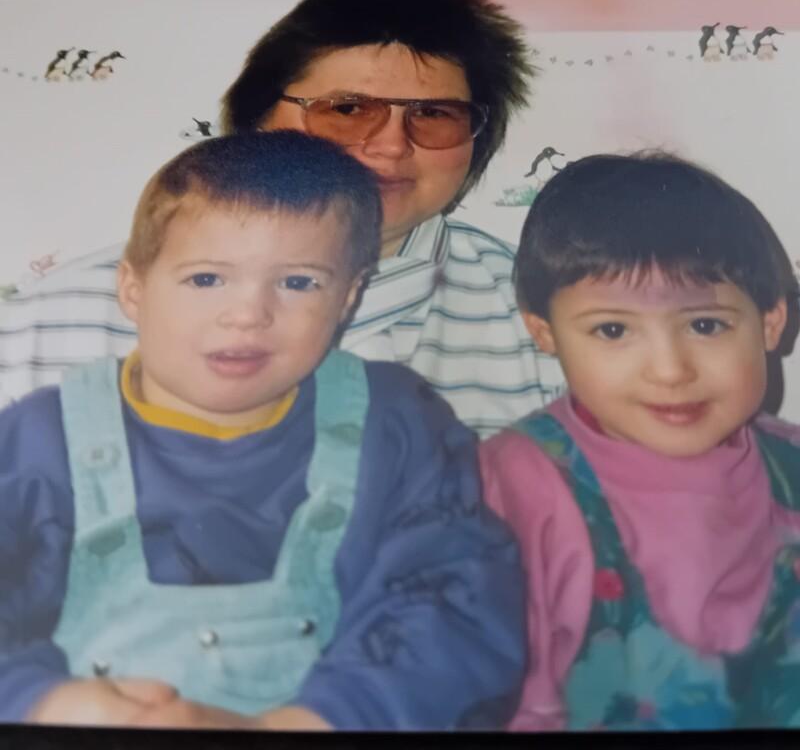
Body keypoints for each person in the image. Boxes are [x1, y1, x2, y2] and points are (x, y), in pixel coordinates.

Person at [0, 131, 526, 730]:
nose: (249, 314)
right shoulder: (38, 441)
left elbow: (456, 605)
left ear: (348, 298)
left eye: (299, 283)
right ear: (133, 289)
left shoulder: (396, 423)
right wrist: (44, 703)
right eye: (206, 279)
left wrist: (306, 723)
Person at [0, 0, 562, 438]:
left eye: (434, 115)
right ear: (257, 122)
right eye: (346, 110)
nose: (392, 146)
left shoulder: (552, 316)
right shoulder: (51, 321)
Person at [479, 152, 800, 731]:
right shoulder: (518, 486)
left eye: (705, 325)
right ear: (545, 333)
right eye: (613, 330)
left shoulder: (792, 464)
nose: (670, 370)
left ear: (770, 322)